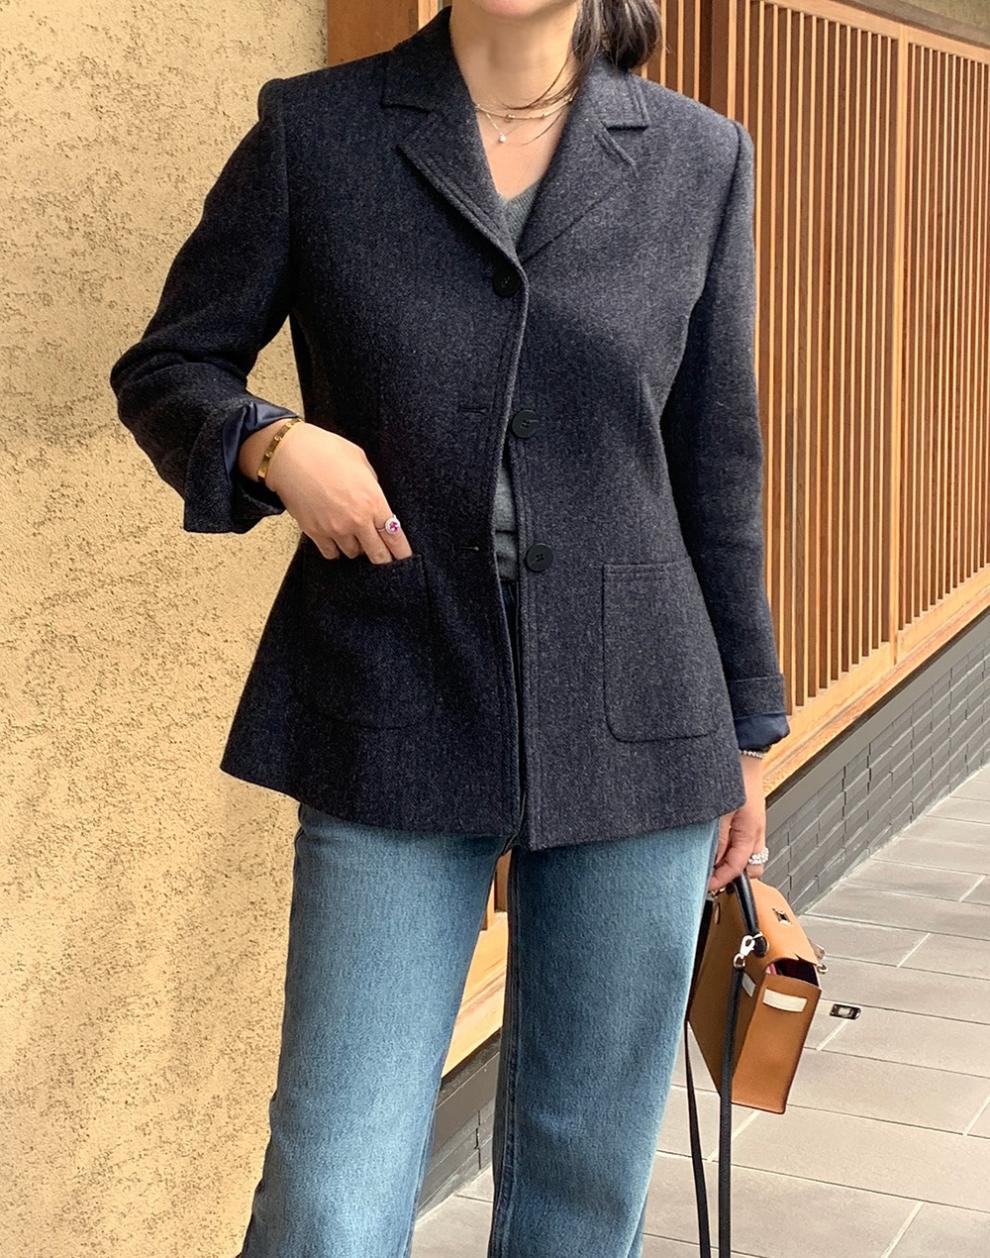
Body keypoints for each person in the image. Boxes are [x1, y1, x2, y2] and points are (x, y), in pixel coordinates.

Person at [110, 2, 790, 1255]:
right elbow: (168, 367)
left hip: (639, 717)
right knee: (331, 1190)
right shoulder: (317, 132)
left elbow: (717, 462)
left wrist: (747, 731)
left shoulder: (700, 157)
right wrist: (271, 443)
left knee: (584, 1189)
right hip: (393, 693)